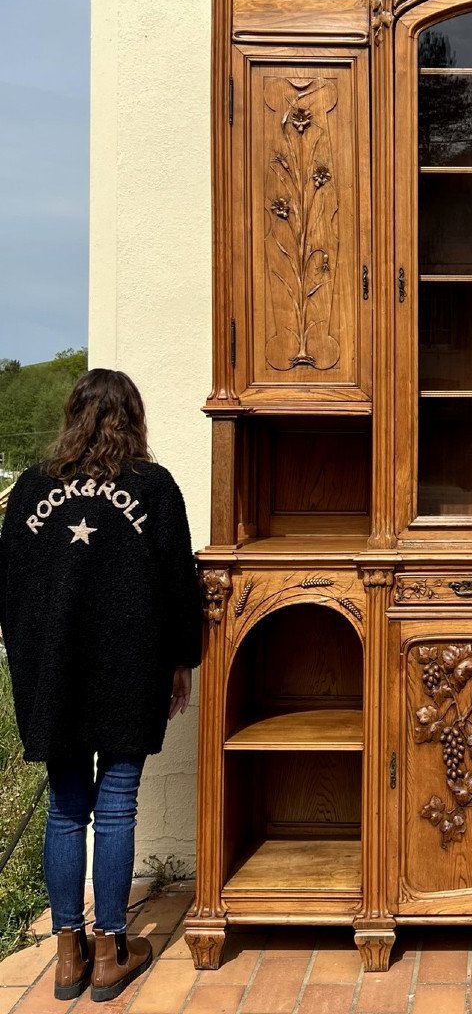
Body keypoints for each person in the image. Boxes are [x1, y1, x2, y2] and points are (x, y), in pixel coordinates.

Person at [0, 369, 202, 1003]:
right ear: (133, 419)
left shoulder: (32, 489)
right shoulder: (154, 487)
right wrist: (181, 659)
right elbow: (178, 587)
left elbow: (9, 590)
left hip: (53, 672)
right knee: (115, 806)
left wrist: (28, 666)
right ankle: (111, 950)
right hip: (129, 667)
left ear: (72, 416)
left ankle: (68, 955)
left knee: (65, 809)